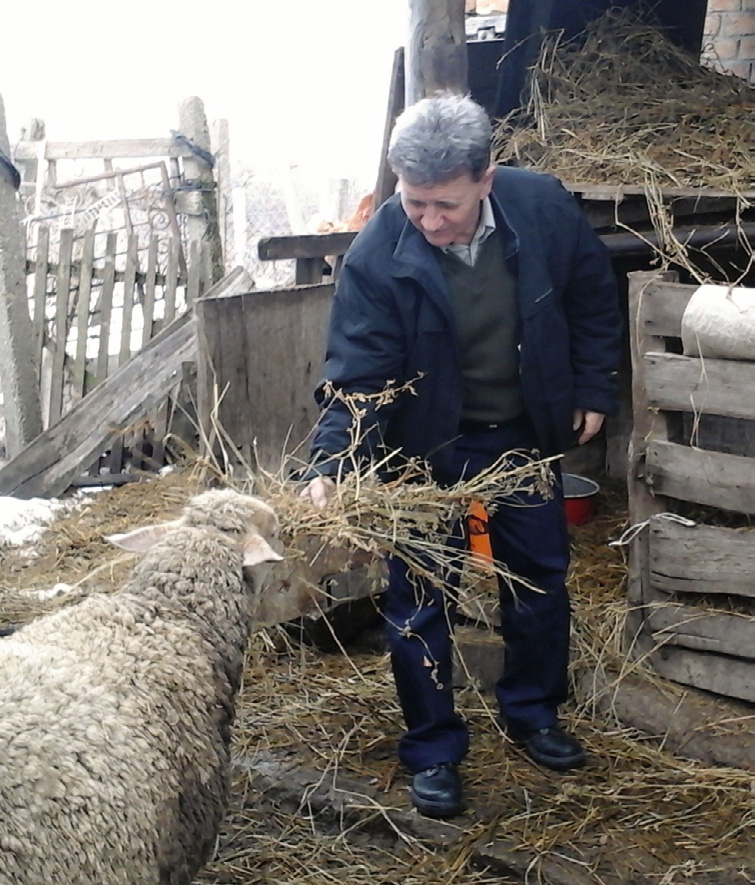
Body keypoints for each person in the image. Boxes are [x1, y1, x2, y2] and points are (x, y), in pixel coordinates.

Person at [302, 92, 621, 818]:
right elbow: (358, 368)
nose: (429, 220)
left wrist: (593, 381)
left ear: (486, 177)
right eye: (415, 203)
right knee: (417, 600)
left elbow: (590, 294)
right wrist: (332, 461)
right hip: (422, 451)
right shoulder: (381, 247)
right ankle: (433, 746)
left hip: (517, 434)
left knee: (538, 579)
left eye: (444, 203)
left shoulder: (540, 208)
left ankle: (534, 712)